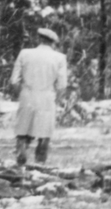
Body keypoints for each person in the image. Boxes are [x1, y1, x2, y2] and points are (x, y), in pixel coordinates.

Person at [10, 27, 68, 166]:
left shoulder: (25, 53)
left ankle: (21, 157)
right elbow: (62, 85)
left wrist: (20, 93)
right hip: (47, 97)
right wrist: (57, 99)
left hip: (27, 95)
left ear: (39, 39)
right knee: (44, 133)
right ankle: (40, 163)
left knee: (23, 129)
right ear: (53, 43)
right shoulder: (59, 58)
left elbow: (14, 80)